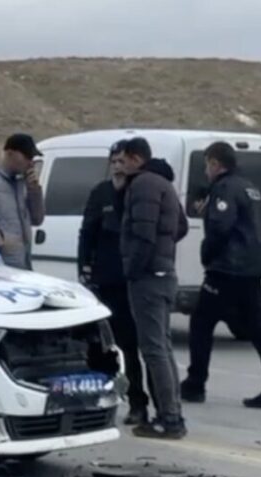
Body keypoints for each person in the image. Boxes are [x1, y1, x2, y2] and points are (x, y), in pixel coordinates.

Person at [181, 142, 261, 410]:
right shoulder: (248, 187)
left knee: (201, 323)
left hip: (229, 269)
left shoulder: (225, 188)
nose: (206, 171)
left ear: (216, 163)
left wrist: (207, 255)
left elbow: (220, 227)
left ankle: (195, 384)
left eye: (207, 164)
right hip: (253, 269)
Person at [115, 137, 188, 439]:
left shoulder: (143, 184)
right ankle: (172, 413)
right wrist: (165, 247)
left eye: (122, 160)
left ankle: (169, 418)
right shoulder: (163, 184)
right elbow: (180, 226)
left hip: (149, 278)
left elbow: (143, 233)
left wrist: (133, 268)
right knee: (163, 347)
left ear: (135, 158)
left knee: (154, 350)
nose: (120, 166)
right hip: (163, 273)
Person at [78, 140, 150, 426]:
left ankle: (138, 403)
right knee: (98, 347)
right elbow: (87, 232)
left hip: (129, 281)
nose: (119, 167)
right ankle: (97, 402)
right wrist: (83, 269)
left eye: (123, 161)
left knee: (130, 347)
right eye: (115, 162)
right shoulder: (101, 193)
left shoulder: (137, 192)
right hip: (103, 279)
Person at [0, 134, 46, 269]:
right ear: (10, 153)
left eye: (32, 158)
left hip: (23, 264)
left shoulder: (21, 184)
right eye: (27, 157)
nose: (30, 162)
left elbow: (37, 219)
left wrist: (34, 190)